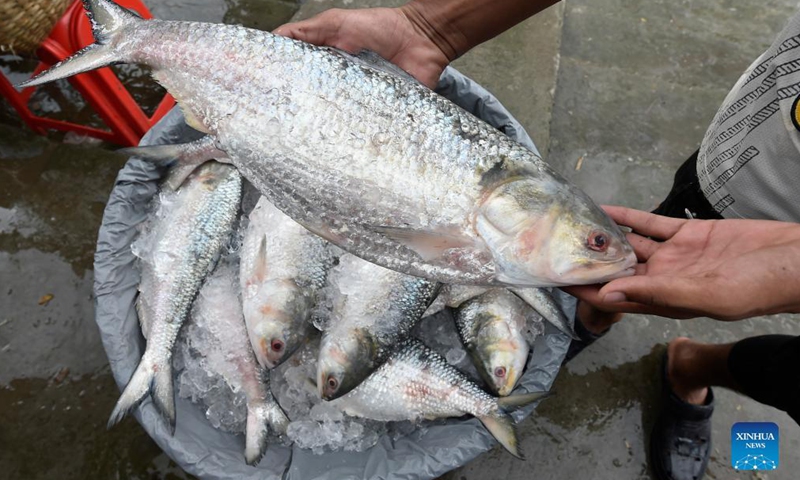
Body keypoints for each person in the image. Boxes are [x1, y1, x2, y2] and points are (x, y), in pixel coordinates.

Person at [275, 2, 800, 479]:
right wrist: (429, 26)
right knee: (659, 265)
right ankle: (681, 361)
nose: (603, 247)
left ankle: (628, 333)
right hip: (760, 164)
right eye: (595, 242)